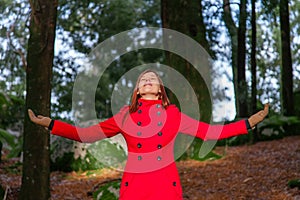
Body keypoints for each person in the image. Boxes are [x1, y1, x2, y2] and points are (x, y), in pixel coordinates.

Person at [28, 69, 269, 200]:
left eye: (152, 79)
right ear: (137, 91)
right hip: (135, 185)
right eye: (143, 79)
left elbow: (209, 132)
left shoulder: (174, 115)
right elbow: (86, 135)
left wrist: (248, 123)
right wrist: (50, 124)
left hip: (166, 184)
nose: (147, 80)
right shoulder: (124, 116)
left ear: (161, 90)